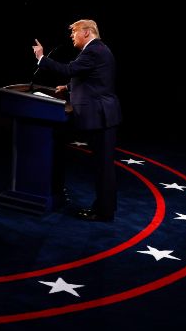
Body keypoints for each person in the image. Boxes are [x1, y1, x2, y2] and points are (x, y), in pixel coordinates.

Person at [33, 19, 122, 222]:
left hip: (101, 117)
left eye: (75, 32)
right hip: (103, 116)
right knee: (103, 166)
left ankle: (103, 211)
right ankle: (104, 208)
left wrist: (41, 58)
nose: (72, 36)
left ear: (87, 32)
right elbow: (95, 80)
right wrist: (69, 88)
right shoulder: (97, 50)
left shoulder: (94, 50)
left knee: (103, 167)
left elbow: (69, 70)